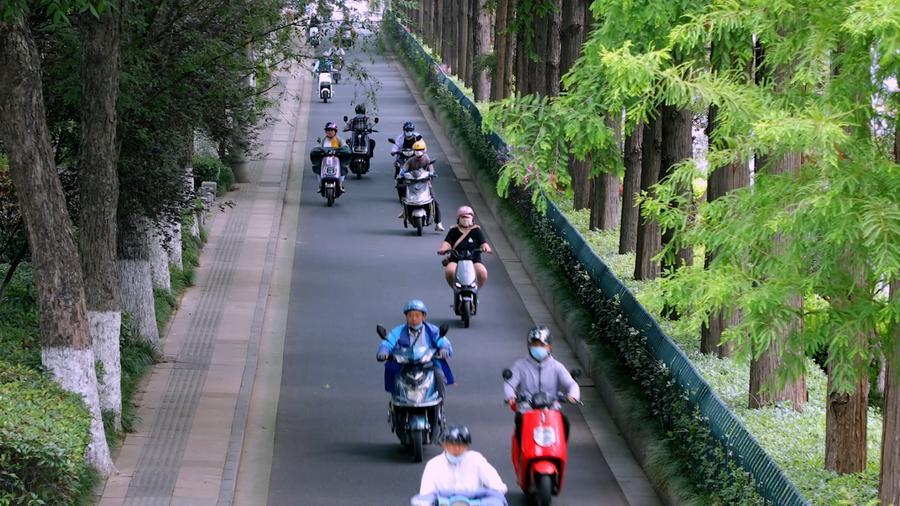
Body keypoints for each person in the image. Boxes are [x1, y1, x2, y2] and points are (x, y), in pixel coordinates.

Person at [503, 326, 580, 443]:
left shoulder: (557, 367)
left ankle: (560, 449)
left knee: (565, 423)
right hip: (526, 410)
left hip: (552, 410)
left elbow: (572, 384)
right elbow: (509, 384)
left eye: (542, 345)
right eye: (534, 344)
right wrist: (510, 396)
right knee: (519, 426)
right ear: (529, 346)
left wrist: (573, 395)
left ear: (550, 346)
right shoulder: (520, 366)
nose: (538, 348)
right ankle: (521, 451)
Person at [410, 425, 508, 506]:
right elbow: (425, 494)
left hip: (474, 503)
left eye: (461, 445)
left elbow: (497, 485)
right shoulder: (433, 465)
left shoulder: (476, 459)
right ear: (444, 445)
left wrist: (492, 497)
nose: (457, 448)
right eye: (452, 444)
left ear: (467, 446)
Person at [377, 299, 453, 398]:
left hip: (427, 363)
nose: (413, 319)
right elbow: (388, 341)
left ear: (423, 317)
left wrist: (444, 349)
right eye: (410, 316)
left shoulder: (432, 330)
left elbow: (442, 340)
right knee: (392, 372)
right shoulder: (398, 331)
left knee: (439, 374)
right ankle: (395, 397)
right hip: (404, 363)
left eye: (417, 315)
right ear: (406, 317)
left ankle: (440, 398)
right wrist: (383, 350)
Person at [437, 206, 491, 288]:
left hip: (474, 259)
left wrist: (486, 248)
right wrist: (443, 249)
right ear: (458, 219)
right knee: (449, 271)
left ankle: (475, 290)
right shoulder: (453, 230)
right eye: (463, 217)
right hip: (456, 259)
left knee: (482, 272)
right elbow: (447, 243)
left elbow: (483, 243)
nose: (465, 219)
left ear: (472, 218)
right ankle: (455, 288)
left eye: (468, 217)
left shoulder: (476, 230)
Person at [397, 139, 444, 231]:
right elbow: (404, 168)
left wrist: (432, 174)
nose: (418, 152)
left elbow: (431, 169)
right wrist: (401, 174)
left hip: (425, 184)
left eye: (420, 150)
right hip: (411, 183)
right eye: (416, 150)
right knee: (401, 189)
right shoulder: (411, 160)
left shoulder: (427, 159)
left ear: (424, 150)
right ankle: (404, 211)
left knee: (435, 202)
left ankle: (438, 223)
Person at [311, 122, 350, 192]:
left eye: (332, 130)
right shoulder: (323, 140)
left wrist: (342, 150)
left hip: (337, 159)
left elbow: (345, 146)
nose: (330, 132)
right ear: (326, 132)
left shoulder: (339, 140)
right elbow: (318, 146)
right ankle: (320, 185)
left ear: (335, 131)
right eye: (328, 130)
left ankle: (340, 184)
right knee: (318, 167)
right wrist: (317, 149)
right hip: (325, 159)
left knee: (343, 167)